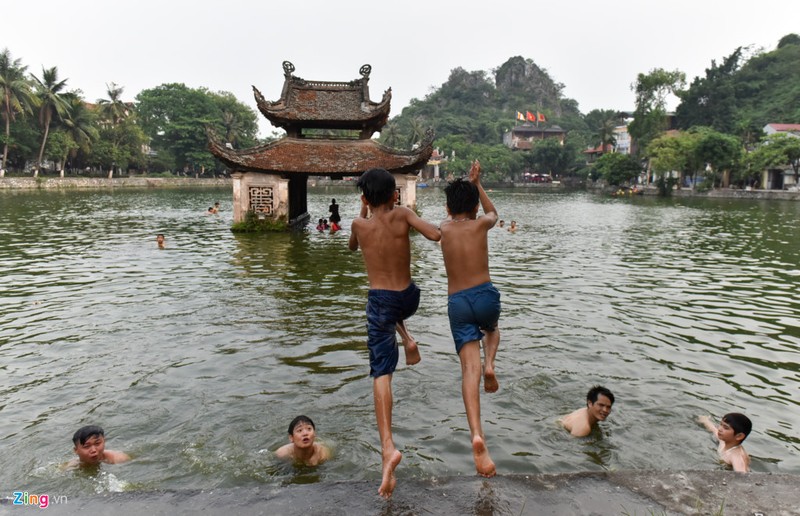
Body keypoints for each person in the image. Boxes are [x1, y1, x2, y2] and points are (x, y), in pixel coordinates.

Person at [348, 167, 441, 498]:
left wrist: (363, 210)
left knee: (381, 373)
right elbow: (435, 235)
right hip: (409, 298)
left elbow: (350, 247)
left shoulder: (359, 224)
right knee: (389, 311)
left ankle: (387, 447)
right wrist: (408, 215)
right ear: (394, 195)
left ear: (364, 198)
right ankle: (408, 337)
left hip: (382, 303)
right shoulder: (403, 214)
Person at [440, 159, 500, 478]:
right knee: (492, 331)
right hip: (484, 295)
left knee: (468, 371)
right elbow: (494, 214)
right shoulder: (481, 224)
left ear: (448, 209)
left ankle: (477, 434)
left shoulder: (444, 228)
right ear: (474, 206)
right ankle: (491, 363)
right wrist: (478, 184)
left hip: (458, 302)